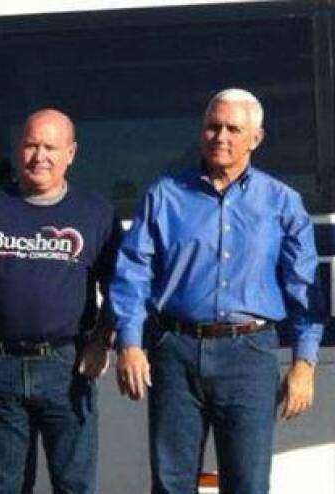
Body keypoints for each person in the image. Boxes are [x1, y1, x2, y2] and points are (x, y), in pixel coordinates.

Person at [111, 88, 324, 494]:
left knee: (247, 483)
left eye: (233, 128)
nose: (220, 136)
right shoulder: (164, 195)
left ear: (255, 139)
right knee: (172, 483)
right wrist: (130, 344)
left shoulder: (282, 203)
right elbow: (133, 271)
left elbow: (304, 288)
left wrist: (304, 364)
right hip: (176, 351)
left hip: (250, 355)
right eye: (213, 126)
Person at [0, 109, 120, 494]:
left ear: (71, 153)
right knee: (4, 485)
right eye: (31, 145)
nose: (39, 156)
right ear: (19, 150)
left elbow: (120, 285)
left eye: (51, 147)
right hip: (1, 366)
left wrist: (102, 341)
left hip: (68, 366)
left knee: (74, 483)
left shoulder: (95, 212)